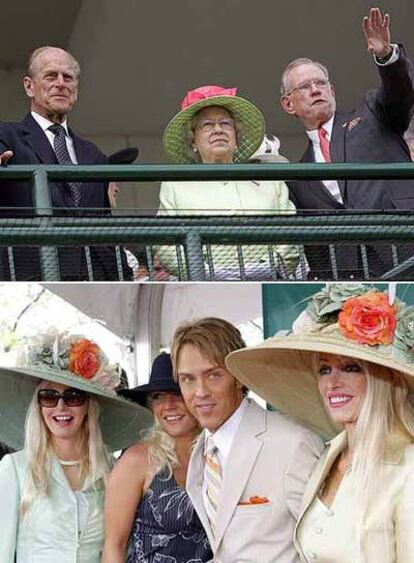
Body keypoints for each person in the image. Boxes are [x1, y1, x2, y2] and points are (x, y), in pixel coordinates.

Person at [226, 283, 414, 562]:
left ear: (386, 380)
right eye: (324, 369)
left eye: (351, 367)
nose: (332, 383)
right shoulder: (331, 455)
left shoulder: (408, 467)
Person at [171, 317, 324, 563]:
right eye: (188, 379)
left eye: (213, 376)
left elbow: (326, 547)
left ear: (239, 377)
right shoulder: (204, 449)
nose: (200, 392)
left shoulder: (292, 442)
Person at [280, 7, 414, 280]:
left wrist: (386, 57)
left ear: (332, 91)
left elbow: (401, 92)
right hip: (352, 279)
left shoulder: (371, 112)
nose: (315, 89)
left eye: (321, 83)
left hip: (405, 250)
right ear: (288, 104)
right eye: (304, 87)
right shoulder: (298, 176)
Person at [0, 332, 152, 562]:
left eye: (73, 397)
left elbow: (123, 547)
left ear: (89, 407)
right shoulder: (15, 468)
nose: (61, 406)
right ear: (39, 405)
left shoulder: (112, 471)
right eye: (49, 397)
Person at [0, 46, 133, 281]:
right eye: (51, 76)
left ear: (76, 90)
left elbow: (105, 229)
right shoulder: (5, 136)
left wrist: (124, 277)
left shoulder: (94, 155)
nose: (61, 83)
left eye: (68, 77)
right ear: (29, 86)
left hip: (93, 281)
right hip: (30, 280)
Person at [157, 85, 300, 280]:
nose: (218, 130)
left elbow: (291, 232)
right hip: (204, 281)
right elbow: (166, 244)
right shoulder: (175, 185)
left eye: (225, 124)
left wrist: (271, 268)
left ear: (236, 136)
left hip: (270, 278)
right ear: (192, 140)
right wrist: (204, 273)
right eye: (207, 125)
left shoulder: (269, 180)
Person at [103, 352, 213, 563]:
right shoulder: (138, 460)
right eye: (158, 397)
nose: (168, 405)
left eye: (177, 394)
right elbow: (114, 545)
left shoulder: (218, 454)